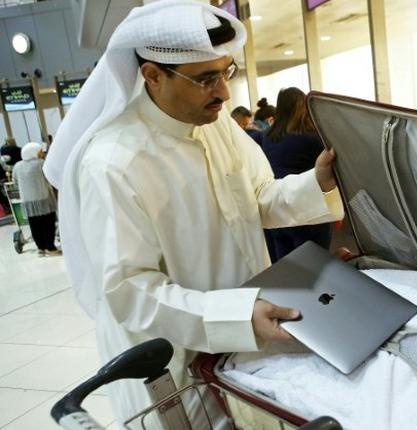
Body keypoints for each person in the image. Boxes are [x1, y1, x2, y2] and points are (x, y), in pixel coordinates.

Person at [42, 1, 343, 427]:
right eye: (205, 79)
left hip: (244, 343)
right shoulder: (113, 164)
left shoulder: (216, 124)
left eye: (226, 72)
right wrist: (236, 316)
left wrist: (318, 182)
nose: (223, 92)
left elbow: (258, 197)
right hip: (173, 372)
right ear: (152, 76)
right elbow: (132, 292)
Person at [261, 87, 333, 262]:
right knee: (314, 269)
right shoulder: (313, 137)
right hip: (308, 212)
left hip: (277, 212)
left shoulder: (266, 136)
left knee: (286, 269)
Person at [11, 142, 60, 256]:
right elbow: (50, 177)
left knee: (35, 225)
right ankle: (50, 248)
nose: (42, 153)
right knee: (48, 224)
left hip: (27, 202)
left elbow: (15, 183)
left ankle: (41, 248)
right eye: (40, 152)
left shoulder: (17, 166)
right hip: (44, 200)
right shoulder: (41, 164)